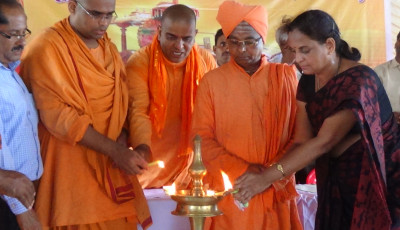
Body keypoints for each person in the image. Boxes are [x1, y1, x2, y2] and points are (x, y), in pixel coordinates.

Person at [234, 10, 400, 230]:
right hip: (334, 181)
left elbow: (324, 141)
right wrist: (267, 171)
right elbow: (302, 141)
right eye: (293, 51)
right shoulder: (308, 81)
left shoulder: (359, 80)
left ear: (330, 45)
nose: (297, 59)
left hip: (377, 181)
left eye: (305, 50)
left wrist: (267, 178)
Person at [19, 0, 152, 229]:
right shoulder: (46, 47)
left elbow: (120, 106)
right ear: (72, 6)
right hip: (68, 172)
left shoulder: (108, 48)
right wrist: (115, 150)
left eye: (110, 15)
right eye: (96, 14)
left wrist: (123, 138)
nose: (104, 22)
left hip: (110, 172)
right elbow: (58, 116)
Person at [192, 1, 301, 229]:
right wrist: (245, 172)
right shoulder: (212, 82)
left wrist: (268, 176)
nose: (242, 49)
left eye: (250, 42)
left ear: (263, 40)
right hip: (233, 188)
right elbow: (201, 140)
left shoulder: (286, 76)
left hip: (275, 187)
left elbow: (299, 137)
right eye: (234, 42)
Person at [126, 4, 217, 189]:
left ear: (195, 34)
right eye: (171, 37)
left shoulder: (206, 61)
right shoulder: (140, 63)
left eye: (186, 39)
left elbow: (216, 112)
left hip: (192, 167)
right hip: (150, 164)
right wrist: (142, 148)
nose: (179, 46)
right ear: (159, 32)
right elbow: (138, 111)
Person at [0, 0, 43, 229]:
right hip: (4, 199)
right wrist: (22, 210)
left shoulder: (10, 72)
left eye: (24, 33)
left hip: (20, 195)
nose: (22, 42)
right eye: (13, 34)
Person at [375, 31, 400, 124]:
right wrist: (387, 115)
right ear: (395, 44)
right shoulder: (379, 72)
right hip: (387, 129)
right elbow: (370, 103)